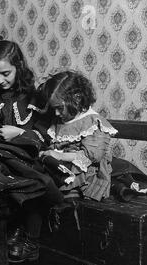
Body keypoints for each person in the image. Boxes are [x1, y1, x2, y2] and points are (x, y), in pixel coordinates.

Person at [0, 36, 55, 263]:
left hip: (27, 156)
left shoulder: (35, 96)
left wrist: (19, 133)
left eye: (5, 73)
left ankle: (30, 239)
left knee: (29, 177)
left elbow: (45, 136)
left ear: (18, 67)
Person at [39, 70, 118, 201]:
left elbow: (92, 157)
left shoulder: (93, 122)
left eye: (59, 108)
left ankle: (70, 198)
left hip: (87, 174)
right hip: (62, 167)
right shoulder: (62, 120)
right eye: (54, 109)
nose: (57, 114)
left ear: (77, 98)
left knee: (62, 196)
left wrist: (59, 155)